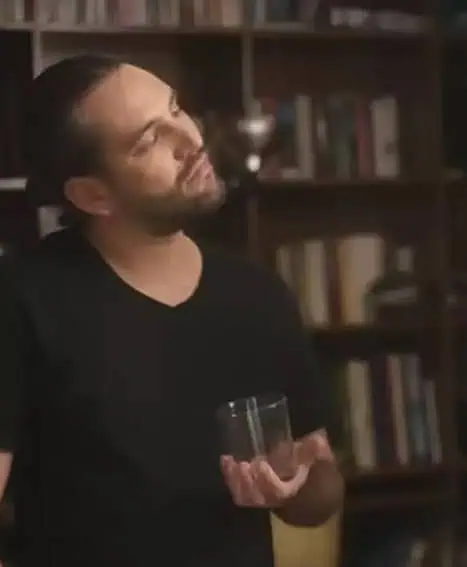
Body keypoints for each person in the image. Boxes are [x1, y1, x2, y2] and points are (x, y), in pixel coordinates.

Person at [0, 55, 344, 567]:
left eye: (176, 109)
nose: (191, 140)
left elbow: (322, 492)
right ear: (93, 194)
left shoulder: (258, 295)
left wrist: (291, 486)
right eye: (149, 141)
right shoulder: (23, 299)